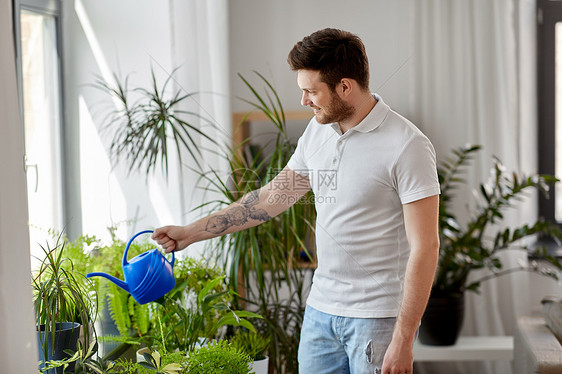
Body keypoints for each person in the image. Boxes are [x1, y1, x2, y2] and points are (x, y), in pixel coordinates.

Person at [152, 28, 440, 374]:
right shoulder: (319, 130)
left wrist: (404, 338)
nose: (304, 101)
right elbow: (272, 198)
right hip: (320, 313)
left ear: (345, 87)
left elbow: (426, 247)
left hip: (377, 319)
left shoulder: (407, 145)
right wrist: (190, 233)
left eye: (311, 91)